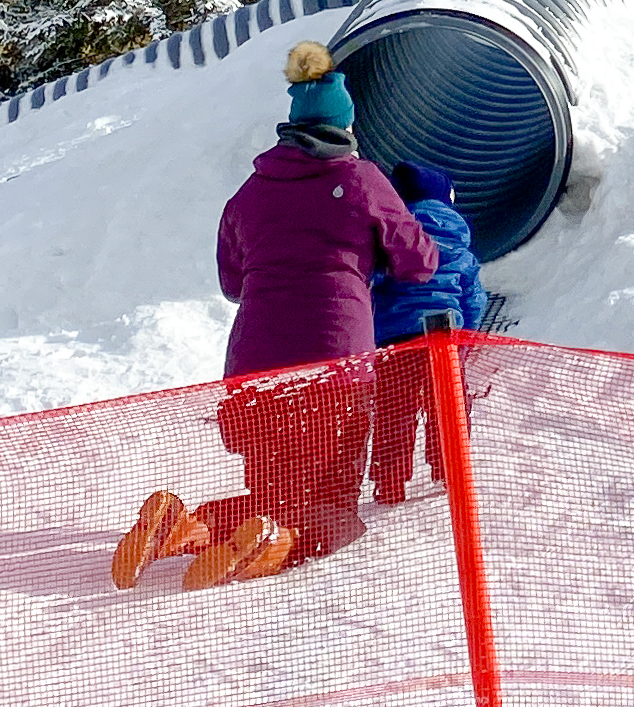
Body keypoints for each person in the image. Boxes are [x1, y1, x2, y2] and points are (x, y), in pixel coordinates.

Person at [111, 41, 435, 592]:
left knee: (272, 495)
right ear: (346, 128)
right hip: (333, 371)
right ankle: (273, 544)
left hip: (253, 370)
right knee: (335, 510)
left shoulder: (252, 193)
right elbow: (419, 263)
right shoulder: (361, 182)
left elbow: (232, 283)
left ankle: (185, 527)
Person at [366, 157, 491, 504]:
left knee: (395, 410)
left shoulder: (393, 236)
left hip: (396, 340)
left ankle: (389, 482)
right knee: (447, 404)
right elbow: (473, 297)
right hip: (444, 337)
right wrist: (467, 336)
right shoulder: (460, 245)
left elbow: (373, 282)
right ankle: (449, 467)